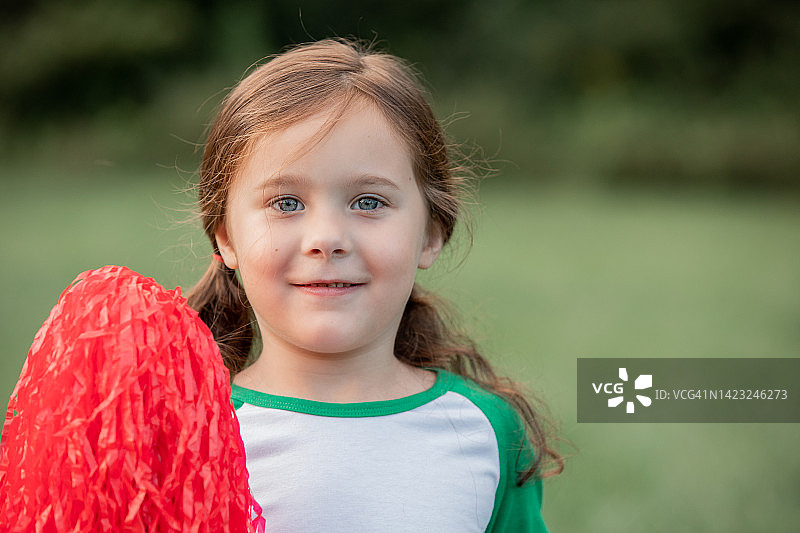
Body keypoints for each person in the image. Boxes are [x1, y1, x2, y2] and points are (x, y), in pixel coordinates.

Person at [188, 38, 563, 532]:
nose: (326, 239)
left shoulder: (488, 433)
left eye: (368, 202)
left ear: (430, 235)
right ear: (226, 238)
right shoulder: (186, 434)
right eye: (285, 203)